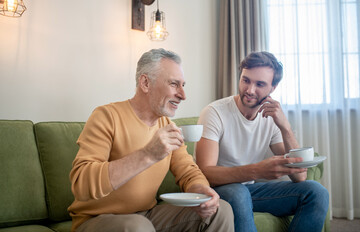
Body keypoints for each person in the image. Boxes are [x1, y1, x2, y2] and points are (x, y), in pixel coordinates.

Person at [67, 48, 234, 232]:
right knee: (138, 227)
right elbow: (81, 184)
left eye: (183, 85)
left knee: (220, 211)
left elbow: (188, 171)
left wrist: (201, 191)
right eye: (173, 84)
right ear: (145, 83)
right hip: (95, 220)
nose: (182, 95)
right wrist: (147, 154)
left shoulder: (167, 125)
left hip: (146, 215)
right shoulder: (107, 116)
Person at [195, 51, 329, 232]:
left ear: (273, 87)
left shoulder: (271, 117)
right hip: (218, 190)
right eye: (245, 80)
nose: (250, 90)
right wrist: (256, 171)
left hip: (249, 191)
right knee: (238, 192)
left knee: (316, 192)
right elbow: (206, 173)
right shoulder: (214, 112)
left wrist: (285, 127)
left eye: (259, 84)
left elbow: (299, 176)